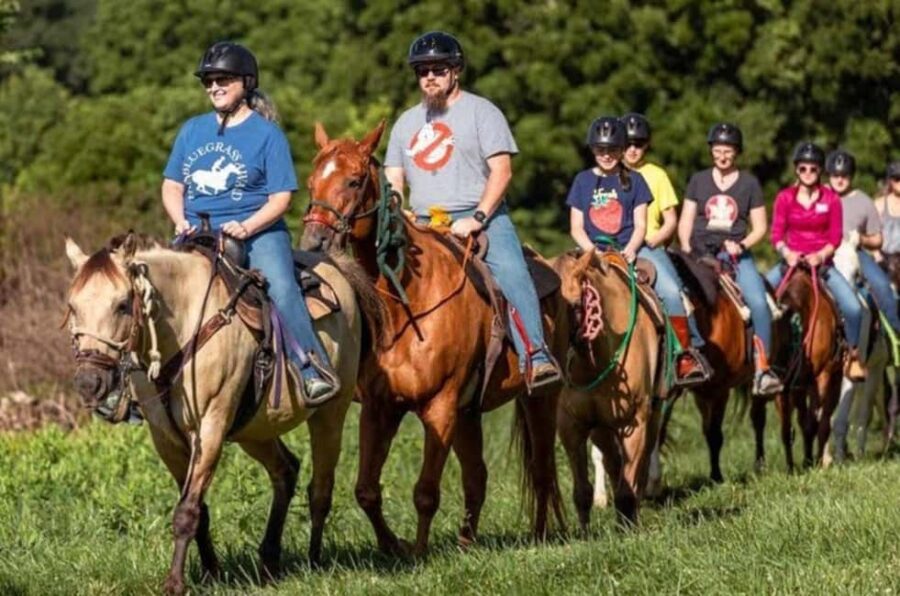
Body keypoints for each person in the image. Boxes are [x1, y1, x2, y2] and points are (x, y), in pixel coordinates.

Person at [161, 41, 339, 403]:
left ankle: (311, 370)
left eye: (222, 79)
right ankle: (140, 388)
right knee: (151, 290)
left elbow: (281, 198)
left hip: (257, 232)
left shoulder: (267, 135)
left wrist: (247, 227)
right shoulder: (192, 130)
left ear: (247, 82)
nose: (214, 87)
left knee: (282, 287)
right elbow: (172, 185)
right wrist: (180, 220)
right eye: (208, 81)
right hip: (197, 231)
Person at [383, 31, 561, 389]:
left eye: (438, 69)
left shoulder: (482, 112)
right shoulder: (405, 123)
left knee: (512, 273)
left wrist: (478, 217)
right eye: (422, 71)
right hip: (420, 222)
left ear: (456, 71)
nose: (429, 76)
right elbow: (393, 177)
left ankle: (536, 354)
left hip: (480, 217)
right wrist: (398, 210)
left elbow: (502, 171)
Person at [567, 116, 710, 386]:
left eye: (612, 149)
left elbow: (642, 223)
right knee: (563, 287)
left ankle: (684, 355)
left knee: (669, 290)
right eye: (600, 150)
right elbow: (576, 227)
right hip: (590, 249)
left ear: (622, 149)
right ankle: (552, 355)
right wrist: (591, 253)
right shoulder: (582, 181)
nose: (606, 155)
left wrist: (630, 250)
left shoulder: (636, 180)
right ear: (592, 150)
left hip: (632, 248)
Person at [678, 123, 782, 395]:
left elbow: (760, 226)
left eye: (728, 151)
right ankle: (677, 360)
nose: (722, 155)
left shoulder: (749, 183)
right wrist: (688, 248)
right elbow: (685, 220)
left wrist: (742, 244)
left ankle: (762, 368)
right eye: (718, 150)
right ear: (711, 150)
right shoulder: (698, 180)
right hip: (700, 253)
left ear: (737, 153)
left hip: (735, 253)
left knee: (759, 302)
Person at [620, 112, 711, 384]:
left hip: (648, 244)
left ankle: (685, 353)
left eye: (639, 143)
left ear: (647, 145)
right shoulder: (609, 173)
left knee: (673, 291)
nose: (633, 149)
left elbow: (671, 220)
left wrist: (654, 240)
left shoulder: (656, 175)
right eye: (628, 143)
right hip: (612, 245)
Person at [766, 142, 866, 380]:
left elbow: (835, 237)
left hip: (821, 267)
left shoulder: (831, 199)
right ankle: (758, 359)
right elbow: (776, 235)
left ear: (820, 170)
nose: (808, 173)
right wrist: (787, 252)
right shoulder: (784, 198)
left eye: (813, 169)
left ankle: (852, 356)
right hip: (789, 265)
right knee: (759, 300)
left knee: (853, 308)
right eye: (803, 169)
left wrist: (821, 255)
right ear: (796, 170)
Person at [826, 150, 900, 336]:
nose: (840, 180)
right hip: (821, 251)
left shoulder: (864, 201)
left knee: (882, 286)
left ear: (851, 176)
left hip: (854, 252)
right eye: (835, 175)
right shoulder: (819, 194)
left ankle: (895, 333)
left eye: (844, 175)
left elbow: (878, 239)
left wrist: (861, 238)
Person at [874, 161, 900, 255]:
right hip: (884, 260)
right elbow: (871, 235)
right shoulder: (879, 205)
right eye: (897, 179)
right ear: (890, 180)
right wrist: (877, 257)